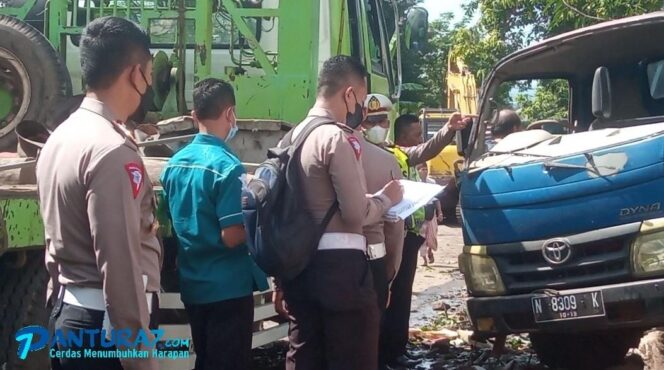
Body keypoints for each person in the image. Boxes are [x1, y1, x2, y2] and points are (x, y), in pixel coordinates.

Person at [36, 16, 161, 370]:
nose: (150, 82)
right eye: (149, 72)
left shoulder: (62, 136)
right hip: (106, 330)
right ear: (136, 74)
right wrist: (141, 359)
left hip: (71, 314)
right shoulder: (111, 150)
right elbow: (118, 264)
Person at [280, 56, 403, 370]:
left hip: (298, 266)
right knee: (353, 356)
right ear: (349, 94)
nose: (360, 109)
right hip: (340, 271)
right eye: (361, 100)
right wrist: (386, 199)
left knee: (306, 354)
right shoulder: (336, 137)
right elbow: (355, 213)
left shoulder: (292, 137)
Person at [160, 78, 268, 370]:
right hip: (228, 289)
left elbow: (168, 223)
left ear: (195, 115)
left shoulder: (174, 164)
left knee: (205, 359)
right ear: (231, 113)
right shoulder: (227, 166)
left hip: (194, 285)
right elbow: (232, 235)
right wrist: (263, 224)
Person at [383, 112, 469, 368]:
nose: (420, 139)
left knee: (403, 294)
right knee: (392, 295)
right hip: (391, 234)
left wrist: (449, 129)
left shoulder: (402, 155)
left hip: (409, 234)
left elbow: (428, 148)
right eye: (416, 135)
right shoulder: (387, 153)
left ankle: (398, 348)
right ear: (401, 136)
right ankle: (387, 352)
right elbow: (426, 149)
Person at [359, 93, 406, 368]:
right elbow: (394, 225)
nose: (379, 126)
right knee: (367, 342)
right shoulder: (387, 161)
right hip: (372, 261)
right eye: (374, 121)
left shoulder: (324, 148)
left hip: (326, 264)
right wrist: (389, 274)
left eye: (382, 120)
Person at [416, 163, 443, 266]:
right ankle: (424, 259)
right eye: (422, 169)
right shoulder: (416, 183)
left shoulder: (432, 182)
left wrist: (440, 212)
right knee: (422, 235)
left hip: (431, 211)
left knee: (432, 234)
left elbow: (436, 199)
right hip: (420, 211)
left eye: (426, 169)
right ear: (418, 171)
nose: (425, 171)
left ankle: (430, 251)